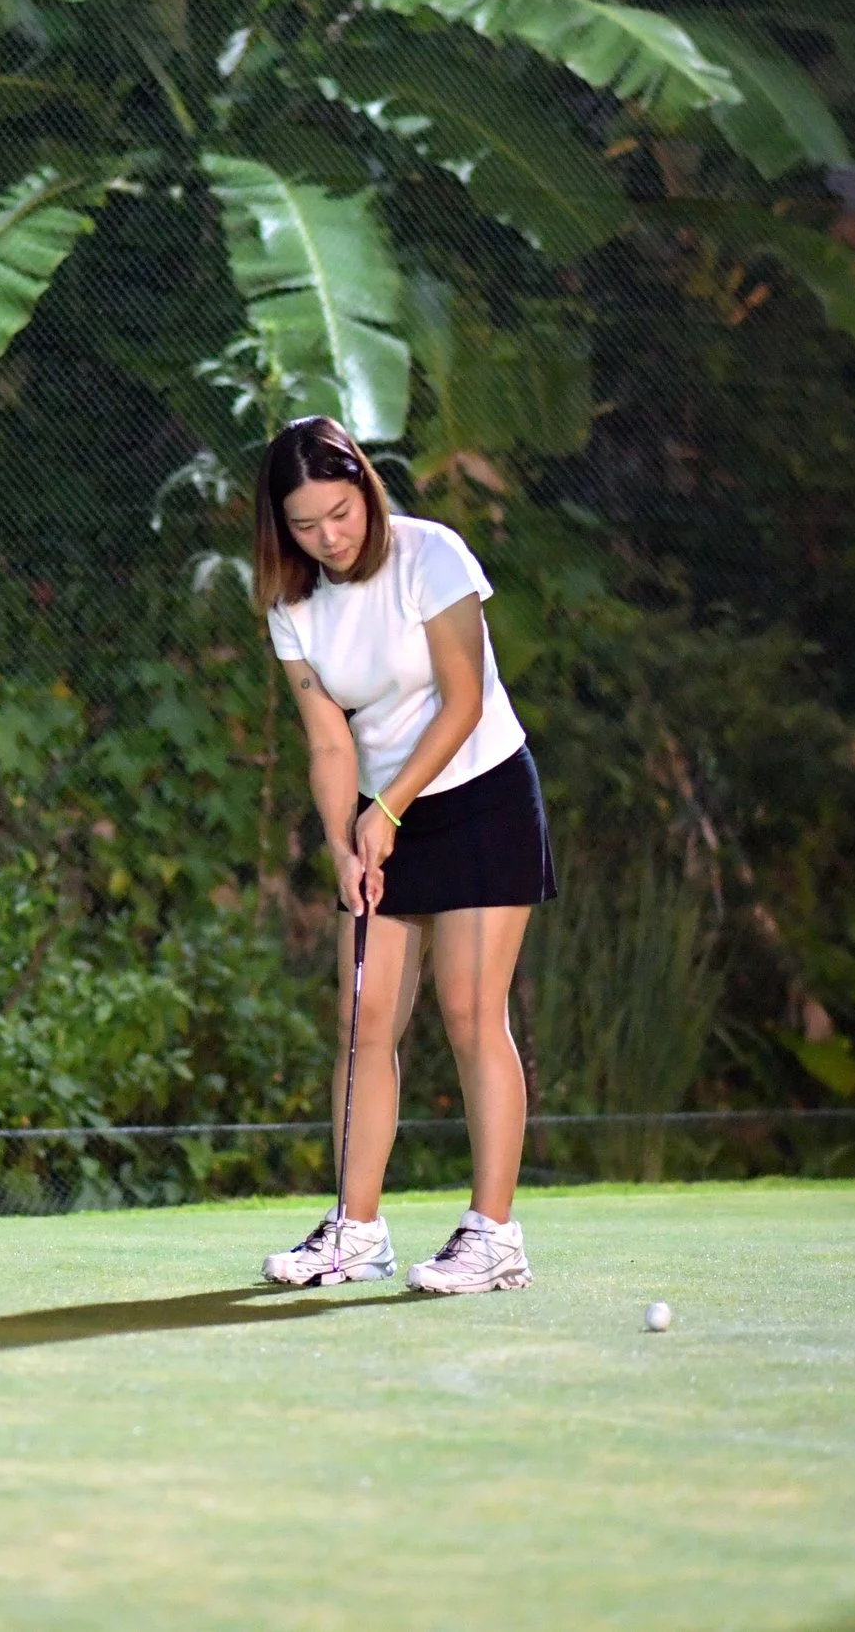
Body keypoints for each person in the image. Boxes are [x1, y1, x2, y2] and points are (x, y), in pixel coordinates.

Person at [253, 417, 556, 1294]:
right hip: (384, 812)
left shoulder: (433, 556)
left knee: (469, 1012)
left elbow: (462, 700)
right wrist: (344, 839)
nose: (329, 538)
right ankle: (356, 1229)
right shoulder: (292, 602)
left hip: (481, 792)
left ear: (366, 492)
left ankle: (494, 1235)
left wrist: (387, 806)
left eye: (341, 514)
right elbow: (327, 743)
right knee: (364, 1020)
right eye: (305, 526)